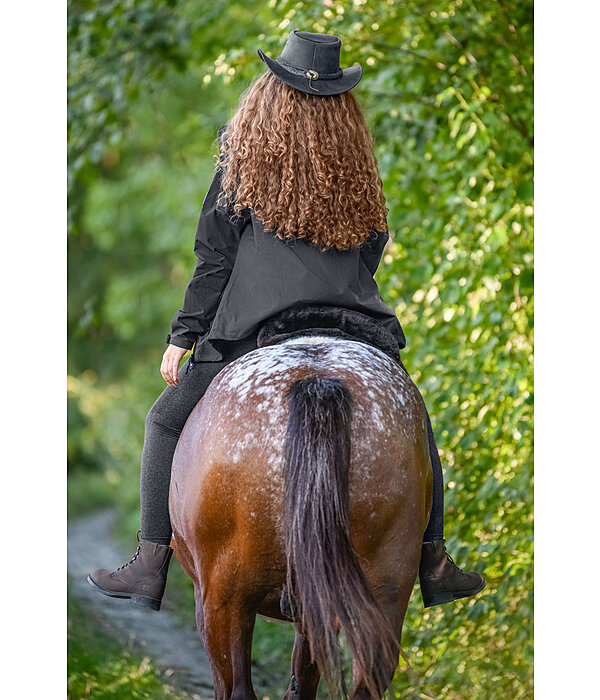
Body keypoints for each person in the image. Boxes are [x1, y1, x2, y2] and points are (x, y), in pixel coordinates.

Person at [87, 29, 485, 612]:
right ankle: (434, 560)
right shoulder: (356, 164)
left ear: (273, 91)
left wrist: (184, 336)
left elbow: (215, 258)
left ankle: (151, 564)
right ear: (341, 104)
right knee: (413, 421)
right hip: (352, 323)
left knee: (165, 421)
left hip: (257, 326)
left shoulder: (244, 158)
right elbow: (374, 243)